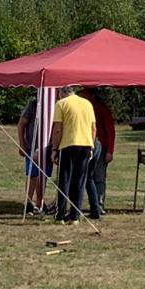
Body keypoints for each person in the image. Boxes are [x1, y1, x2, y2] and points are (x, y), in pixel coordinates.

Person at [50, 85, 96, 224]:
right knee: (79, 181)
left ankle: (60, 214)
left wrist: (54, 149)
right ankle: (75, 215)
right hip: (86, 144)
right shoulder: (87, 104)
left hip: (68, 144)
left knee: (64, 179)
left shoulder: (61, 104)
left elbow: (58, 129)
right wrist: (91, 146)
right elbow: (93, 128)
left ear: (61, 93)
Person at [80, 87, 116, 218]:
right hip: (85, 145)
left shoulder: (102, 109)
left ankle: (99, 203)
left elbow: (110, 131)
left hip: (100, 147)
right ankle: (92, 204)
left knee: (99, 177)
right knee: (87, 177)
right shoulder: (83, 109)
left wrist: (110, 151)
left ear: (92, 97)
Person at [17, 93, 52, 215]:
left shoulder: (55, 104)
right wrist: (22, 144)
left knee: (44, 176)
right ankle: (28, 203)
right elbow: (21, 124)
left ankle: (39, 203)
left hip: (48, 148)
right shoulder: (33, 105)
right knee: (32, 175)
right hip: (32, 147)